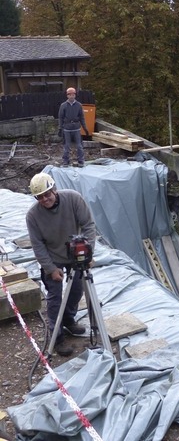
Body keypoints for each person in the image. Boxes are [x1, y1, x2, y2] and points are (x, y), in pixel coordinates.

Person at [26, 173, 96, 356]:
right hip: (53, 256)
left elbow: (88, 225)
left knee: (76, 290)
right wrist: (50, 268)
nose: (44, 199)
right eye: (39, 197)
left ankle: (68, 320)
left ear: (54, 189)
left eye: (47, 194)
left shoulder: (73, 199)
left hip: (76, 253)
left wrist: (87, 254)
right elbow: (38, 245)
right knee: (55, 298)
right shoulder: (33, 216)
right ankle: (57, 338)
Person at [58, 87, 89, 168]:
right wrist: (60, 128)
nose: (71, 96)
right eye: (70, 95)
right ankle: (65, 161)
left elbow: (82, 117)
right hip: (67, 128)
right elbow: (61, 118)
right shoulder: (63, 106)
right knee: (67, 146)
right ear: (67, 96)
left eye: (73, 94)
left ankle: (81, 161)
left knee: (79, 146)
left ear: (75, 95)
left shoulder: (79, 105)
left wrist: (85, 128)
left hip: (76, 128)